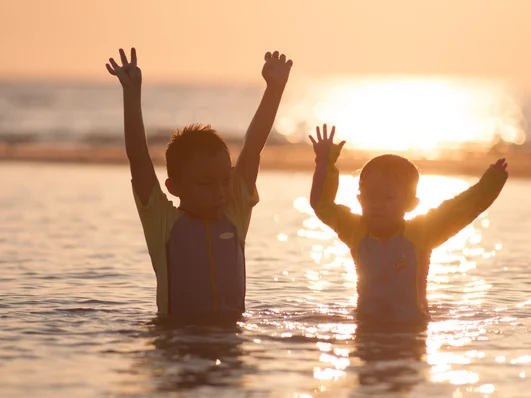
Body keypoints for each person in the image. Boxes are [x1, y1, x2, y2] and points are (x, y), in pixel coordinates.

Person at [105, 47, 293, 321]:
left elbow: (252, 148)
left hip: (230, 344)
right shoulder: (163, 222)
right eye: (205, 184)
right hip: (178, 342)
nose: (219, 193)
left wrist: (274, 89)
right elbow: (138, 158)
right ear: (174, 187)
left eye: (225, 181)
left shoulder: (235, 211)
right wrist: (131, 95)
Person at [309, 124, 508, 323]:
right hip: (366, 327)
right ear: (359, 199)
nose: (377, 205)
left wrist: (491, 183)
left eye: (388, 198)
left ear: (411, 204)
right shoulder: (355, 231)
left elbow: (461, 209)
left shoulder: (422, 233)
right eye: (370, 196)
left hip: (412, 329)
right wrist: (324, 163)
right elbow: (321, 204)